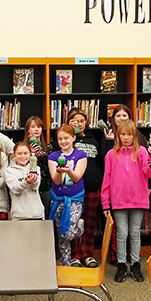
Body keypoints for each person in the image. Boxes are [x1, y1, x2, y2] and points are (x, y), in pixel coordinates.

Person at [101, 120, 151, 283]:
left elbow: (150, 174)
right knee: (122, 233)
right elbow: (107, 179)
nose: (126, 138)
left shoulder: (142, 152)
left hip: (138, 199)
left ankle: (135, 263)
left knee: (134, 233)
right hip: (119, 200)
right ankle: (121, 264)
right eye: (123, 134)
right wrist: (106, 202)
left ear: (134, 136)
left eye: (129, 134)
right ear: (118, 135)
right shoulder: (111, 154)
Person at [68, 108, 104, 268]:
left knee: (89, 222)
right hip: (73, 189)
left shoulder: (94, 140)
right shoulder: (66, 141)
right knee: (74, 223)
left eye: (81, 121)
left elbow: (101, 162)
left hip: (92, 187)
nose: (78, 124)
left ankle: (87, 254)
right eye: (74, 121)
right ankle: (75, 254)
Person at [49, 125, 87, 266]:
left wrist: (68, 170)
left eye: (66, 138)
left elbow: (77, 177)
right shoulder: (53, 157)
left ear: (73, 138)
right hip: (57, 199)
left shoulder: (81, 155)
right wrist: (59, 171)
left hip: (75, 199)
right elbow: (56, 180)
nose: (63, 141)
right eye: (60, 139)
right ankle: (66, 265)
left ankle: (79, 227)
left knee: (68, 233)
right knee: (61, 237)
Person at [4, 141, 45, 220]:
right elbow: (15, 189)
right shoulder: (9, 171)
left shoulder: (36, 168)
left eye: (25, 153)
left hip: (37, 214)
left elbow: (35, 187)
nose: (23, 156)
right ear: (14, 155)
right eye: (19, 154)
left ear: (30, 155)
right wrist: (26, 182)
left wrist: (33, 179)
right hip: (19, 216)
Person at [25, 116, 53, 214]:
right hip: (29, 187)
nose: (36, 129)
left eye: (39, 126)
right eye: (33, 126)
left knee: (47, 214)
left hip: (46, 187)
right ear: (28, 130)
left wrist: (43, 156)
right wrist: (31, 154)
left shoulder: (48, 147)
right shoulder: (23, 147)